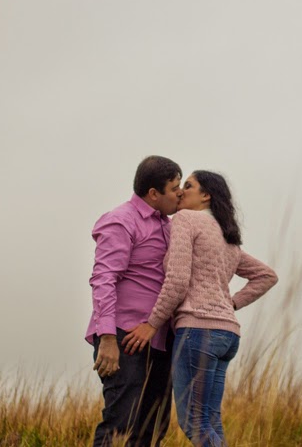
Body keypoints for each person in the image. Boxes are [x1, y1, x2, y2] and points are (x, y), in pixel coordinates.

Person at [121, 170, 278, 447]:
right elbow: (267, 275)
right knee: (210, 421)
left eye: (188, 186)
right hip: (227, 336)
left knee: (194, 422)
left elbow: (178, 280)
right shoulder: (225, 234)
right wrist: (229, 304)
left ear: (206, 196)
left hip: (198, 331)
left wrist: (152, 324)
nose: (181, 192)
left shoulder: (186, 220)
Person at [85, 155, 183, 446]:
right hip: (123, 337)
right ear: (154, 194)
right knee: (121, 425)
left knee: (153, 428)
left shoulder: (170, 226)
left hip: (160, 339)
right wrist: (107, 338)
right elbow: (104, 278)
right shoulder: (121, 221)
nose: (179, 193)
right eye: (174, 188)